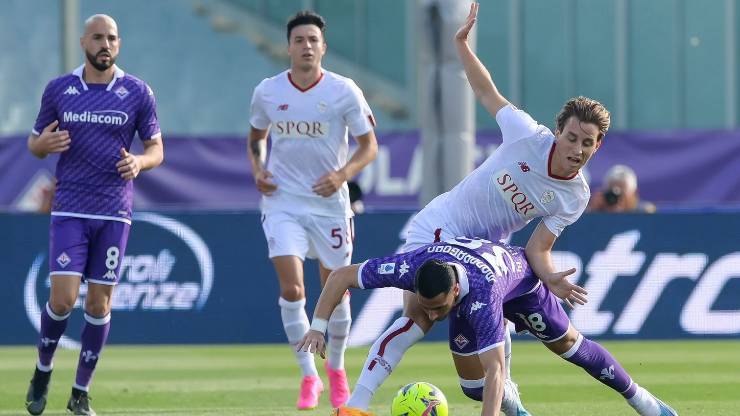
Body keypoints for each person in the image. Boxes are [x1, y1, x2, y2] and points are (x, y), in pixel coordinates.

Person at [335, 2, 610, 414]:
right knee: (419, 316)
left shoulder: (577, 195)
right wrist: (461, 44)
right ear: (559, 133)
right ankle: (356, 404)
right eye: (572, 137)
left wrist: (550, 276)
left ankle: (508, 402)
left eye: (586, 143)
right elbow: (486, 92)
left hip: (486, 248)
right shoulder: (526, 136)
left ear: (596, 146)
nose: (577, 148)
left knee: (492, 321)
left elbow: (538, 249)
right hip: (442, 228)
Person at [299, 237, 679, 416]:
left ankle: (643, 401)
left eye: (436, 308)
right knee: (472, 387)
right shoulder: (412, 267)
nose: (429, 316)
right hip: (475, 282)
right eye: (426, 307)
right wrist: (318, 326)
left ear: (452, 289)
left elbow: (496, 369)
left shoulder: (479, 298)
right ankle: (517, 409)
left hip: (520, 285)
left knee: (570, 347)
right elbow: (341, 276)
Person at [24, 14, 164, 416]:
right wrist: (43, 144)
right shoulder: (61, 89)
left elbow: (157, 149)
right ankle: (42, 371)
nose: (106, 44)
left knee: (100, 306)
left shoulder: (137, 91)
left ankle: (80, 392)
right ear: (84, 42)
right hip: (70, 207)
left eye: (112, 38)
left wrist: (140, 162)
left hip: (115, 211)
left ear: (119, 44)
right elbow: (35, 144)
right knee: (63, 299)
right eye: (98, 37)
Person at [247, 10, 378, 411]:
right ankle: (309, 375)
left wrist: (342, 175)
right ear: (289, 47)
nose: (306, 46)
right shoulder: (268, 91)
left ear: (323, 47)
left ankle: (336, 370)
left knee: (335, 292)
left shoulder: (344, 91)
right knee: (292, 289)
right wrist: (258, 169)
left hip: (329, 206)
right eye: (299, 40)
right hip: (283, 201)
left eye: (313, 40)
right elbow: (256, 137)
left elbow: (369, 146)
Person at [588, 164, 656, 213]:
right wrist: (592, 211)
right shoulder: (597, 210)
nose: (616, 196)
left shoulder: (644, 213)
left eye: (622, 191)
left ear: (634, 194)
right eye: (611, 190)